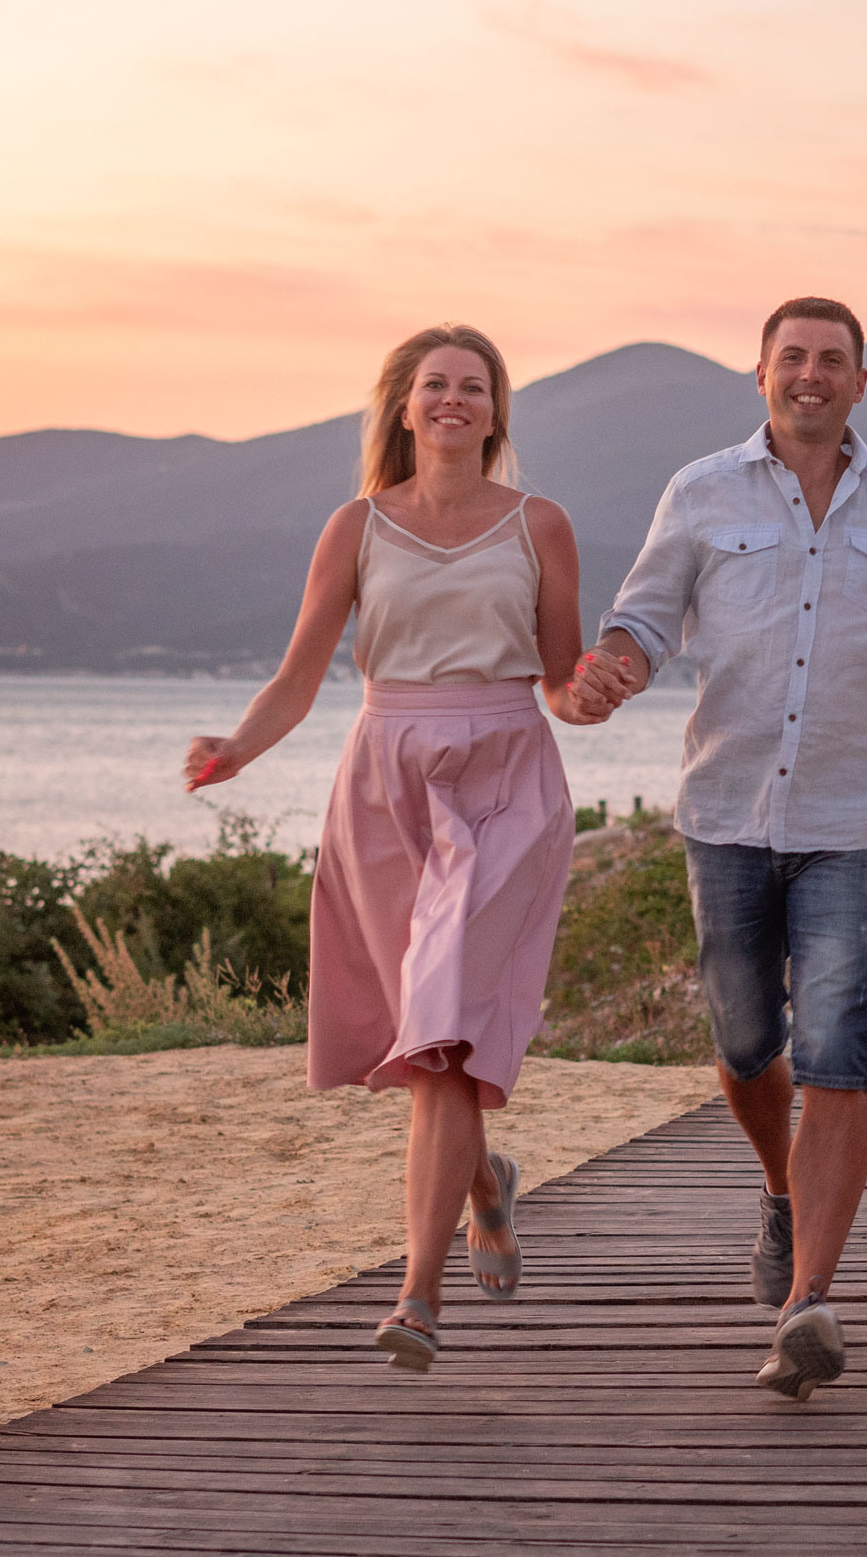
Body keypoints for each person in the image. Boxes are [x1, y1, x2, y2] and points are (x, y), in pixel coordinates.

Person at [183, 324, 630, 1373]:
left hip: (505, 782)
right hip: (385, 786)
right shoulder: (356, 526)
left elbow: (563, 679)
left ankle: (418, 1294)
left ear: (495, 410)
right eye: (434, 385)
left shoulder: (540, 524)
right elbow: (299, 676)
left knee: (444, 1037)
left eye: (473, 387)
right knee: (431, 1039)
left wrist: (591, 694)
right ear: (400, 405)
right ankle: (485, 1184)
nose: (453, 401)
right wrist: (238, 748)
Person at [586, 296, 867, 1400]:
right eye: (792, 359)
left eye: (832, 361)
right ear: (758, 374)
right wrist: (612, 669)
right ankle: (781, 1189)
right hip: (723, 810)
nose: (810, 375)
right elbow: (646, 615)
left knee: (836, 1055)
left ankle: (807, 1299)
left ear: (861, 382)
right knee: (742, 1047)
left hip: (855, 820)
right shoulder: (700, 490)